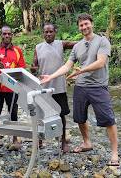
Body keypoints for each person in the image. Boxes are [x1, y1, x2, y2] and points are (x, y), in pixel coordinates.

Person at [40, 13, 119, 165]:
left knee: (109, 119)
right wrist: (50, 77)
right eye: (81, 25)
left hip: (98, 86)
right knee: (80, 118)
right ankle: (87, 142)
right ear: (79, 27)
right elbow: (67, 66)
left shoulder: (102, 41)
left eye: (86, 24)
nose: (84, 27)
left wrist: (81, 70)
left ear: (92, 24)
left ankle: (114, 153)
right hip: (81, 87)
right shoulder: (77, 46)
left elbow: (101, 62)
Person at [30, 23, 75, 153]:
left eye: (51, 31)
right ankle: (40, 139)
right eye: (46, 32)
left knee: (61, 114)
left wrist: (91, 39)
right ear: (43, 33)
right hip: (43, 87)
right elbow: (34, 66)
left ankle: (63, 141)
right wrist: (33, 69)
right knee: (40, 114)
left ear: (55, 32)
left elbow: (77, 43)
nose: (48, 34)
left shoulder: (61, 44)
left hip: (59, 87)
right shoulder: (38, 47)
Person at [0, 25, 26, 150]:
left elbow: (21, 69)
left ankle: (15, 139)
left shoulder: (17, 51)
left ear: (12, 35)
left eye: (9, 34)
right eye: (4, 34)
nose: (7, 36)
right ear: (1, 35)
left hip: (12, 88)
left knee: (13, 113)